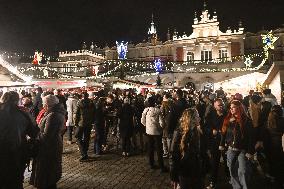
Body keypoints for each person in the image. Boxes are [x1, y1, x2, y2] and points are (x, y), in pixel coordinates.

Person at [0, 91, 39, 189]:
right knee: (16, 179)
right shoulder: (23, 113)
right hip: (18, 151)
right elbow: (34, 132)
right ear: (17, 100)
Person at [29, 94, 66, 189]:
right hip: (51, 145)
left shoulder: (53, 115)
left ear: (48, 104)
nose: (42, 106)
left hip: (48, 148)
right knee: (49, 173)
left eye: (43, 104)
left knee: (47, 173)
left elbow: (46, 135)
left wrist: (34, 135)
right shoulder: (53, 113)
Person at [219, 100, 254, 189]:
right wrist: (222, 144)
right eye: (230, 108)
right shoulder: (228, 120)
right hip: (231, 148)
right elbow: (223, 133)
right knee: (231, 169)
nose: (231, 109)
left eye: (233, 107)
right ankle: (236, 187)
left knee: (242, 170)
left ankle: (245, 186)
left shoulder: (246, 121)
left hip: (243, 149)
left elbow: (251, 137)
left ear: (239, 108)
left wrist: (250, 151)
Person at [169, 108, 203, 189]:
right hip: (184, 171)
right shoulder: (179, 132)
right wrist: (174, 177)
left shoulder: (197, 130)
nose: (200, 118)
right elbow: (173, 155)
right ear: (192, 119)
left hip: (196, 170)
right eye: (197, 116)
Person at [204, 98, 227, 189]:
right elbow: (205, 127)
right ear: (214, 106)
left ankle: (230, 177)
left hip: (225, 141)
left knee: (228, 161)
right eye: (219, 105)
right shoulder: (211, 115)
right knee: (214, 162)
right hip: (215, 141)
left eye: (222, 105)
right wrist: (212, 131)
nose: (221, 107)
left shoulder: (227, 114)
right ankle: (213, 181)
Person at [141, 96, 167, 172]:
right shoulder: (158, 111)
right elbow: (162, 123)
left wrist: (147, 126)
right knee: (159, 149)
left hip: (149, 132)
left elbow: (142, 121)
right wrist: (161, 127)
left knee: (150, 148)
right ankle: (161, 166)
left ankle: (151, 164)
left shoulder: (146, 110)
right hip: (157, 132)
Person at [265, 105, 284, 187]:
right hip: (280, 144)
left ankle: (273, 177)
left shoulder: (268, 120)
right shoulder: (282, 120)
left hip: (270, 145)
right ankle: (280, 180)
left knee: (272, 162)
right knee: (280, 163)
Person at [74, 92, 95, 161]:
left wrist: (75, 123)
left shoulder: (79, 103)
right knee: (87, 138)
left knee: (77, 137)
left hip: (81, 123)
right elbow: (94, 113)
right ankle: (85, 152)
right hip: (89, 123)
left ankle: (83, 153)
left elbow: (77, 114)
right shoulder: (91, 103)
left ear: (82, 96)